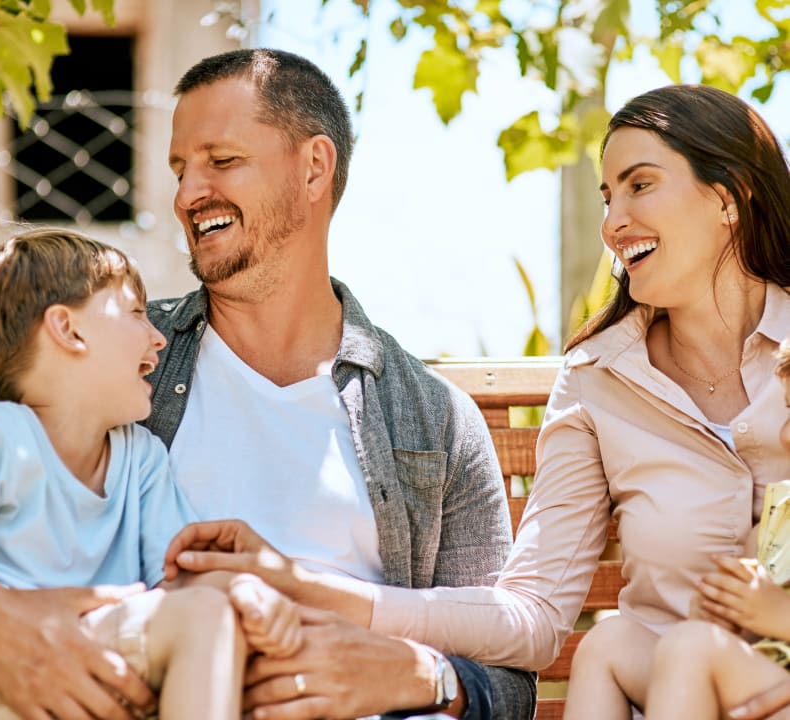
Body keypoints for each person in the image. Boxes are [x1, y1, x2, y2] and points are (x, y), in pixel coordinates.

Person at [0, 50, 537, 720]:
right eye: (179, 169)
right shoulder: (109, 362)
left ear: (314, 167)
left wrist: (416, 676)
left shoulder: (431, 421)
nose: (186, 194)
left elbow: (509, 676)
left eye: (220, 161)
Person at [162, 81, 790, 717]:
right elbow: (535, 615)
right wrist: (310, 588)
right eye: (606, 196)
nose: (613, 223)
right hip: (679, 693)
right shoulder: (599, 381)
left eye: (640, 184)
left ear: (727, 197)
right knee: (616, 647)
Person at [0, 229, 302, 719]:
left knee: (208, 615)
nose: (158, 336)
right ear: (68, 330)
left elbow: (182, 578)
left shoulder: (141, 457)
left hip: (93, 651)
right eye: (134, 312)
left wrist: (244, 592)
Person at [638, 338, 790, 720]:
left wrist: (781, 615)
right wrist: (723, 615)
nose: (785, 434)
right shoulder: (777, 522)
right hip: (761, 687)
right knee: (607, 643)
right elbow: (745, 637)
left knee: (691, 647)